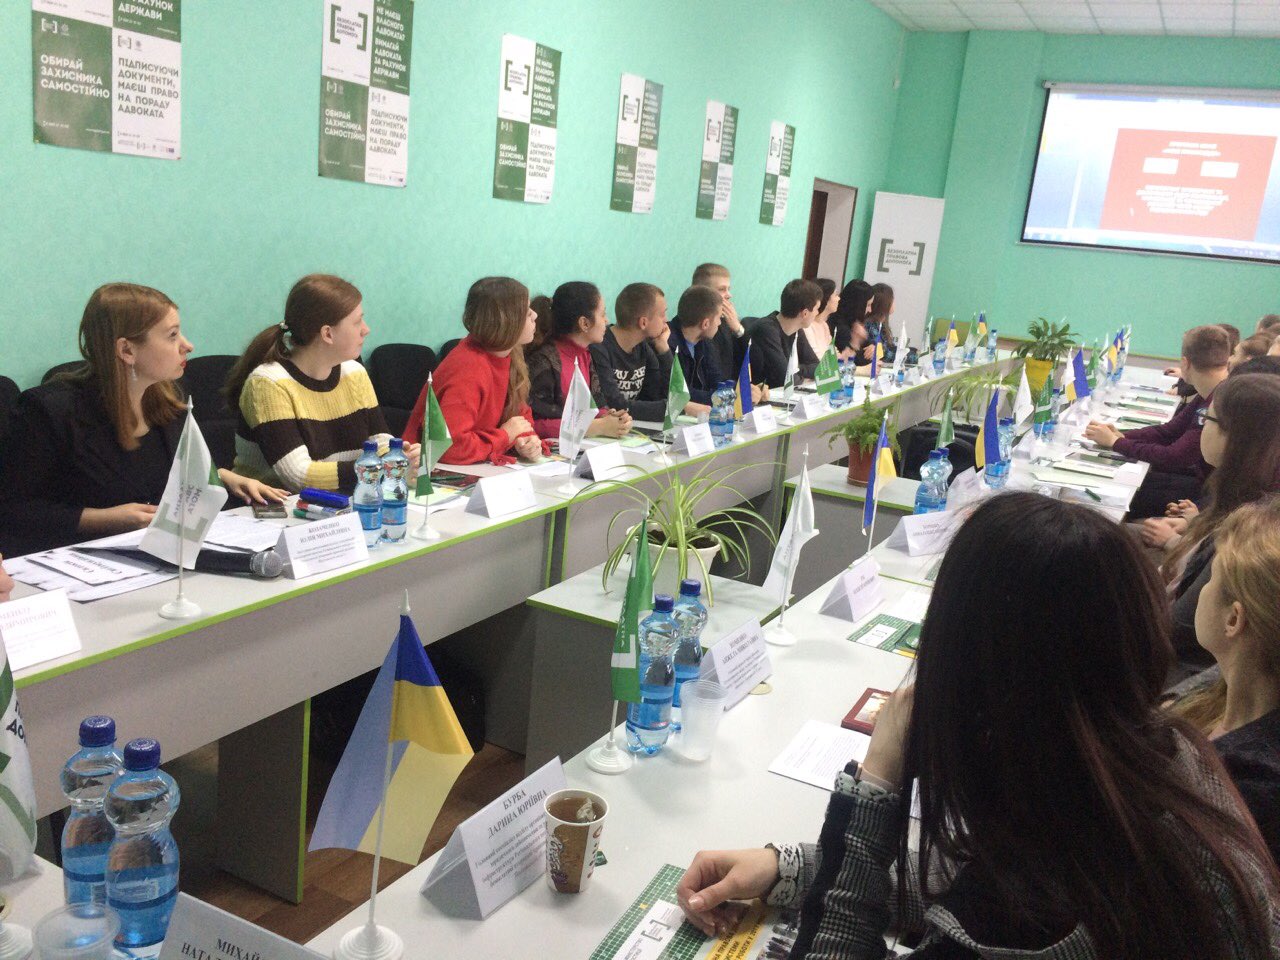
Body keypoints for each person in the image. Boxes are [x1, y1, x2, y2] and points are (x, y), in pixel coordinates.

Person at [677, 493, 1280, 960]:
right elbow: (971, 874)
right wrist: (789, 867)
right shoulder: (1161, 750)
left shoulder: (1039, 921)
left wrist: (878, 778)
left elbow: (993, 900)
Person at [0, 283, 287, 558]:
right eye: (172, 335)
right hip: (80, 559)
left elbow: (165, 474)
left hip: (157, 554)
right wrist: (104, 519)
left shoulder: (169, 399)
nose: (188, 345)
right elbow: (14, 511)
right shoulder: (49, 411)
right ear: (126, 350)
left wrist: (225, 477)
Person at [227, 274, 416, 494]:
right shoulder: (268, 384)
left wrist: (401, 456)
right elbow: (298, 476)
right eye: (357, 322)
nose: (366, 329)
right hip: (271, 506)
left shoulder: (354, 372)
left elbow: (380, 443)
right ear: (328, 333)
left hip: (339, 500)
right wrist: (380, 468)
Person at [1172, 496, 1280, 862]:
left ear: (1234, 619)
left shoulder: (1241, 792)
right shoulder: (1224, 685)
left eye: (1211, 579)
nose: (1200, 591)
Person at [1149, 375, 1280, 667]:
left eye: (1206, 419)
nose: (1201, 427)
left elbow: (1180, 626)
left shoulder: (1248, 524)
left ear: (1235, 436)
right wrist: (1193, 530)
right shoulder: (1240, 492)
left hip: (1170, 656)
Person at [1085, 325, 1230, 518]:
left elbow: (1175, 456)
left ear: (1185, 363)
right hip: (1202, 485)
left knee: (1106, 497)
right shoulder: (1212, 392)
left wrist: (1116, 443)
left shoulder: (1218, 400)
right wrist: (1122, 436)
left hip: (1205, 495)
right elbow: (1169, 431)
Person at [403, 277, 544, 465]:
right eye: (527, 312)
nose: (535, 315)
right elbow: (449, 448)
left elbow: (519, 417)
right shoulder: (468, 366)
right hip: (428, 472)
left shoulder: (510, 354)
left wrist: (526, 439)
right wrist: (505, 436)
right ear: (506, 321)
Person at [525, 282, 631, 441]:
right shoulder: (544, 361)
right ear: (584, 323)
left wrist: (611, 418)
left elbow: (594, 405)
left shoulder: (585, 354)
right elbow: (534, 424)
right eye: (603, 314)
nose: (607, 320)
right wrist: (596, 426)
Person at [590, 283, 708, 423]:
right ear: (643, 323)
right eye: (662, 314)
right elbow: (616, 405)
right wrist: (680, 407)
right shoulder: (599, 348)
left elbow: (670, 394)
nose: (666, 320)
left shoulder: (643, 347)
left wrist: (663, 348)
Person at [750, 280, 822, 388]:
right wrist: (801, 375)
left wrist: (796, 369)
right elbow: (785, 379)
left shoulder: (797, 330)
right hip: (762, 394)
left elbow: (819, 367)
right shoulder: (766, 329)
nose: (817, 313)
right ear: (805, 313)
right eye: (817, 309)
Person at [667, 286, 728, 406]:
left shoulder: (705, 342)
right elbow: (680, 393)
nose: (720, 323)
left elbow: (718, 381)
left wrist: (739, 391)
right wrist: (723, 397)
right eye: (719, 318)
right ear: (705, 324)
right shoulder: (667, 344)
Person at [691, 263, 747, 382]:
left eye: (728, 289)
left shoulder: (725, 322)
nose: (729, 295)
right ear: (702, 293)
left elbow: (746, 365)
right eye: (722, 289)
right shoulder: (692, 327)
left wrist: (738, 330)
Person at [827, 279, 873, 361]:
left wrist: (873, 347)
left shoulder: (852, 322)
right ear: (858, 305)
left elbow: (868, 344)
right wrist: (856, 343)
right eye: (868, 305)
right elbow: (850, 359)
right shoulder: (838, 326)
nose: (870, 310)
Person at [802, 279, 838, 357]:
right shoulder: (807, 327)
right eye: (835, 295)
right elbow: (815, 358)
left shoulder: (824, 325)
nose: (839, 299)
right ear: (826, 299)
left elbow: (833, 354)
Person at [865, 282, 896, 356]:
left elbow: (890, 347)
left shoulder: (882, 324)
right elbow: (884, 354)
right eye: (892, 299)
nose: (894, 302)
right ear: (885, 303)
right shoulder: (871, 326)